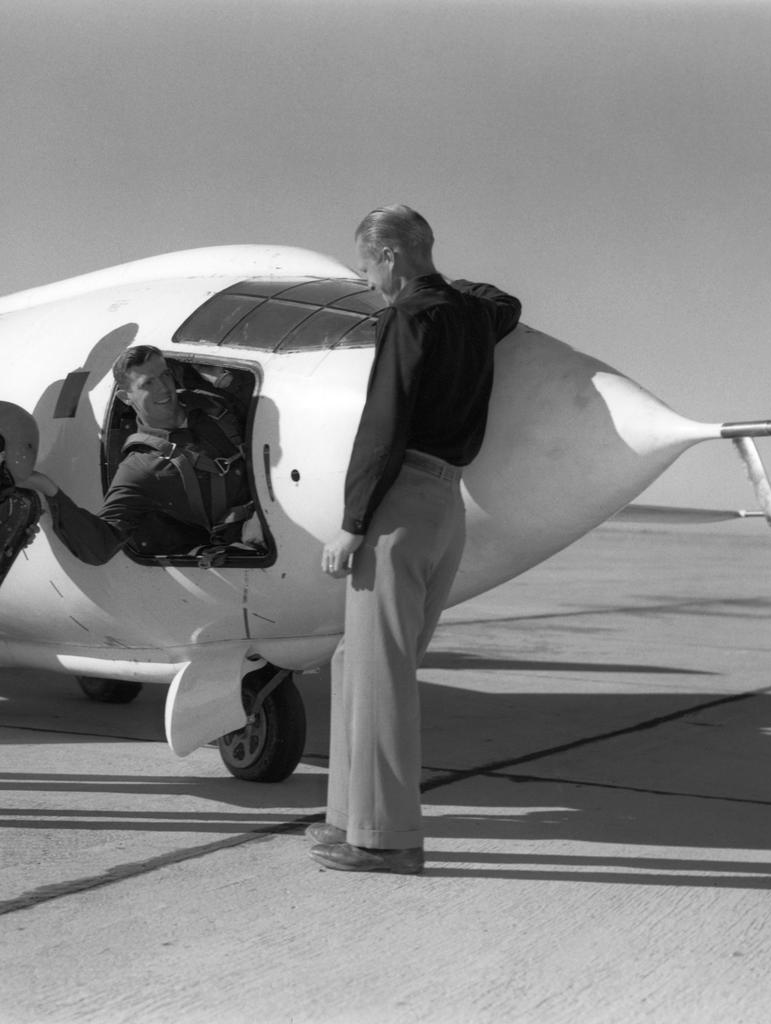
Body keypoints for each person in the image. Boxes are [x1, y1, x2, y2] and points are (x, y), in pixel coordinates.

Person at [312, 205, 521, 874]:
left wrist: (352, 523)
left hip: (400, 505)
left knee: (381, 678)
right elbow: (504, 302)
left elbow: (383, 423)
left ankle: (387, 841)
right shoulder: (468, 314)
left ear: (392, 257)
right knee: (357, 663)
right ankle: (349, 818)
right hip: (445, 508)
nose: (370, 281)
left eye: (369, 266)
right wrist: (450, 285)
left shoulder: (407, 318)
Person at [22, 344, 263, 563]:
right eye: (148, 383)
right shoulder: (140, 468)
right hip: (253, 540)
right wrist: (47, 488)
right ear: (126, 398)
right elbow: (99, 547)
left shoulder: (212, 405)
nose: (164, 388)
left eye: (165, 375)